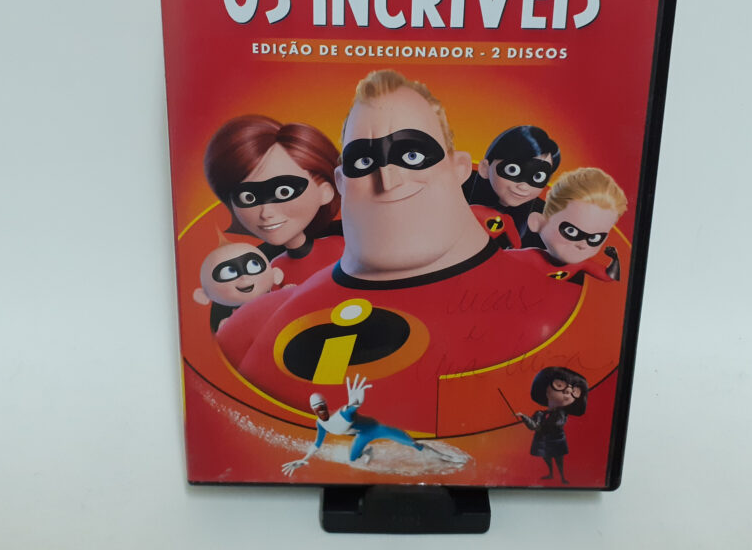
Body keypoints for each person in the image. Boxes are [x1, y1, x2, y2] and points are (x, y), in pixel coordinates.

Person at [216, 70, 580, 435]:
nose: (388, 180)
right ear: (341, 182)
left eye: (412, 154)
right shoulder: (253, 328)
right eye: (364, 161)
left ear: (458, 168)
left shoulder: (559, 300)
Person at [203, 115, 344, 285]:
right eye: (248, 197)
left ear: (326, 192)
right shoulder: (273, 269)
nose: (266, 213)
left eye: (284, 192)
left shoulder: (341, 247)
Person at [281, 375, 435, 476]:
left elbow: (351, 408)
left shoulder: (342, 414)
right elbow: (317, 444)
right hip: (362, 435)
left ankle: (443, 456)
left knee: (414, 444)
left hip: (377, 429)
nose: (321, 411)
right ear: (313, 410)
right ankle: (368, 451)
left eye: (322, 407)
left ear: (326, 405)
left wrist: (356, 402)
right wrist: (304, 458)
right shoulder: (321, 424)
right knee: (353, 459)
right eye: (317, 409)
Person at [463, 125, 560, 248]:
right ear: (484, 168)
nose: (523, 187)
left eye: (538, 177)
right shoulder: (457, 194)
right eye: (512, 170)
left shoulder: (542, 226)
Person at [526, 167, 627, 284]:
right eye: (571, 231)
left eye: (594, 238)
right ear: (537, 222)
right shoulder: (530, 256)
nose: (582, 245)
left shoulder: (581, 264)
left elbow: (608, 276)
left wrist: (615, 258)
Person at [516, 367, 589, 484]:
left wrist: (541, 426)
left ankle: (562, 477)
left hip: (556, 440)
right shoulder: (540, 414)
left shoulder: (561, 414)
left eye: (574, 391)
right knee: (546, 456)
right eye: (559, 385)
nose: (568, 391)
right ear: (546, 391)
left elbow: (557, 424)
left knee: (559, 458)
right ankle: (550, 473)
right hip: (543, 441)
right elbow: (534, 426)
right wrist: (524, 417)